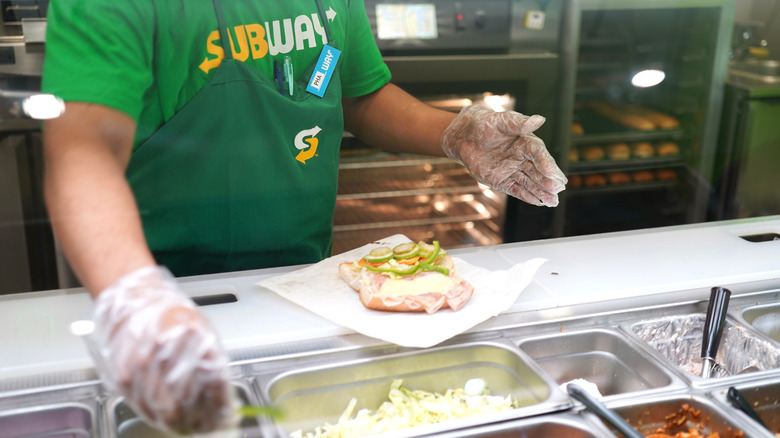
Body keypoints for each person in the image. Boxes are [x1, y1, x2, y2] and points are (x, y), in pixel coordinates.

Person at [41, 0, 567, 434]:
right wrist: (134, 298)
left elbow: (360, 95)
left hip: (304, 286)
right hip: (166, 300)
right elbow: (81, 152)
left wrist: (454, 133)